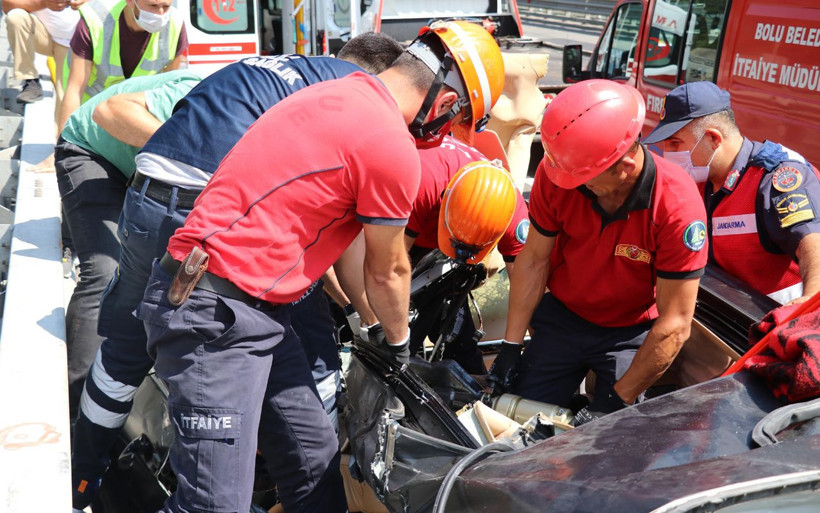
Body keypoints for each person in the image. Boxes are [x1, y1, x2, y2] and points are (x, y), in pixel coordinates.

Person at [134, 21, 503, 513]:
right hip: (215, 314)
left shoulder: (333, 93)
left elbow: (346, 249)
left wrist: (369, 323)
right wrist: (397, 345)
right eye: (456, 120)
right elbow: (387, 269)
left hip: (256, 310)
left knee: (312, 459)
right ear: (444, 105)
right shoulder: (390, 142)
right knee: (213, 504)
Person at [69, 33, 406, 511]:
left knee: (126, 348)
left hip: (156, 202)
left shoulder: (266, 71)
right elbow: (348, 248)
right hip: (188, 211)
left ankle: (84, 479)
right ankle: (253, 475)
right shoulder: (346, 105)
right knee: (304, 343)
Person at [488, 80, 708, 426]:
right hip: (564, 316)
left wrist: (614, 400)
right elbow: (533, 260)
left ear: (625, 167)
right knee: (516, 421)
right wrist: (511, 345)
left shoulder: (677, 208)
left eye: (584, 178)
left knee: (609, 436)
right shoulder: (559, 174)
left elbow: (675, 324)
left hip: (630, 330)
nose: (571, 184)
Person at [56, 69, 201, 425]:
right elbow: (107, 111)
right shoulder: (200, 94)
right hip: (92, 151)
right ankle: (77, 402)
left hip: (141, 168)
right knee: (106, 270)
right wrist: (183, 149)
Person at [642, 81, 820, 305]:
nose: (668, 153)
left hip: (768, 321)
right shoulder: (699, 177)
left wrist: (811, 301)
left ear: (714, 138)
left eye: (675, 143)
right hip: (719, 312)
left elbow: (812, 241)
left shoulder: (776, 177)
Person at [406, 136, 529, 373]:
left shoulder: (512, 214)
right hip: (412, 224)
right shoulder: (419, 180)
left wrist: (514, 349)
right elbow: (384, 264)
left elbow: (525, 289)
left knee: (458, 339)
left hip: (441, 243)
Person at [58, 0, 187, 132]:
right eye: (153, 6)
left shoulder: (175, 25)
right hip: (91, 113)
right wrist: (63, 144)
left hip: (135, 115)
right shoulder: (95, 19)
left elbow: (168, 92)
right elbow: (75, 90)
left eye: (165, 7)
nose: (160, 14)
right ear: (130, 1)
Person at [3, 0, 79, 108]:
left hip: (76, 44)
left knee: (65, 98)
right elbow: (7, 5)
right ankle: (30, 80)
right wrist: (44, 3)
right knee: (16, 17)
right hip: (44, 35)